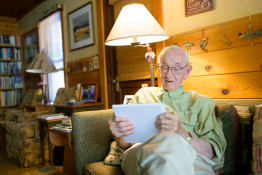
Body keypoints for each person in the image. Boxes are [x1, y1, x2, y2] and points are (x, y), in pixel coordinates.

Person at [108, 45, 226, 175]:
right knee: (169, 141)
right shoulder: (143, 95)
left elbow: (212, 153)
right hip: (142, 153)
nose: (168, 74)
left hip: (191, 156)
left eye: (176, 68)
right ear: (159, 68)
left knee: (175, 148)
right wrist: (117, 135)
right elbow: (126, 143)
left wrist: (182, 134)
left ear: (187, 71)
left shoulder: (202, 102)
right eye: (164, 67)